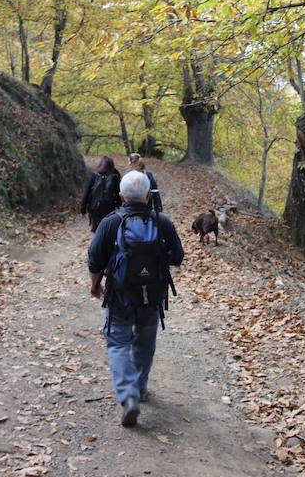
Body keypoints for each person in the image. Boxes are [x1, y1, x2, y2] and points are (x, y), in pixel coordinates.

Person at [87, 171, 184, 427]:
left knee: (119, 343)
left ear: (121, 196)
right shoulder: (162, 222)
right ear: (148, 194)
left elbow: (95, 257)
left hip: (120, 296)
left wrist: (95, 284)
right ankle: (139, 389)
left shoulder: (111, 222)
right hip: (152, 297)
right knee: (144, 343)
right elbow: (178, 256)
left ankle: (128, 396)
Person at [80, 156, 121, 232]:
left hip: (95, 209)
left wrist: (83, 209)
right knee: (109, 230)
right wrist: (119, 207)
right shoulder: (115, 176)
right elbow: (118, 194)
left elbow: (86, 193)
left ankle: (96, 242)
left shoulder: (93, 176)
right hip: (110, 209)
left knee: (96, 230)